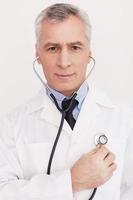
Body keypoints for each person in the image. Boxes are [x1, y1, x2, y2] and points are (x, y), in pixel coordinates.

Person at [0, 3, 133, 200]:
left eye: (75, 47)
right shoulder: (11, 124)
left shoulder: (125, 117)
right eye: (52, 48)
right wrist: (71, 181)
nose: (64, 62)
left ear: (89, 52)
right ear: (37, 53)